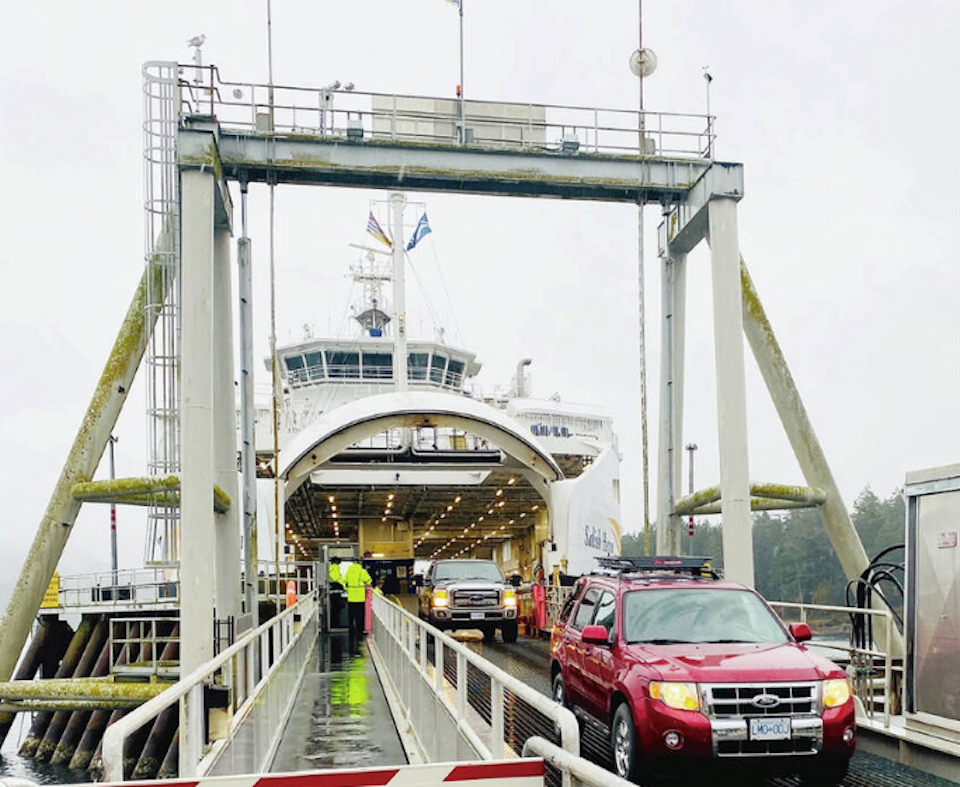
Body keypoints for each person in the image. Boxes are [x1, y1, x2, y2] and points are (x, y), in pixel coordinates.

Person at [343, 560, 372, 639]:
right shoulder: (362, 571)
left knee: (351, 616)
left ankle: (351, 631)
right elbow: (369, 581)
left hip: (351, 598)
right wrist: (364, 585)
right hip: (360, 598)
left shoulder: (349, 571)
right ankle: (360, 631)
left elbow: (344, 581)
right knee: (360, 616)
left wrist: (347, 589)